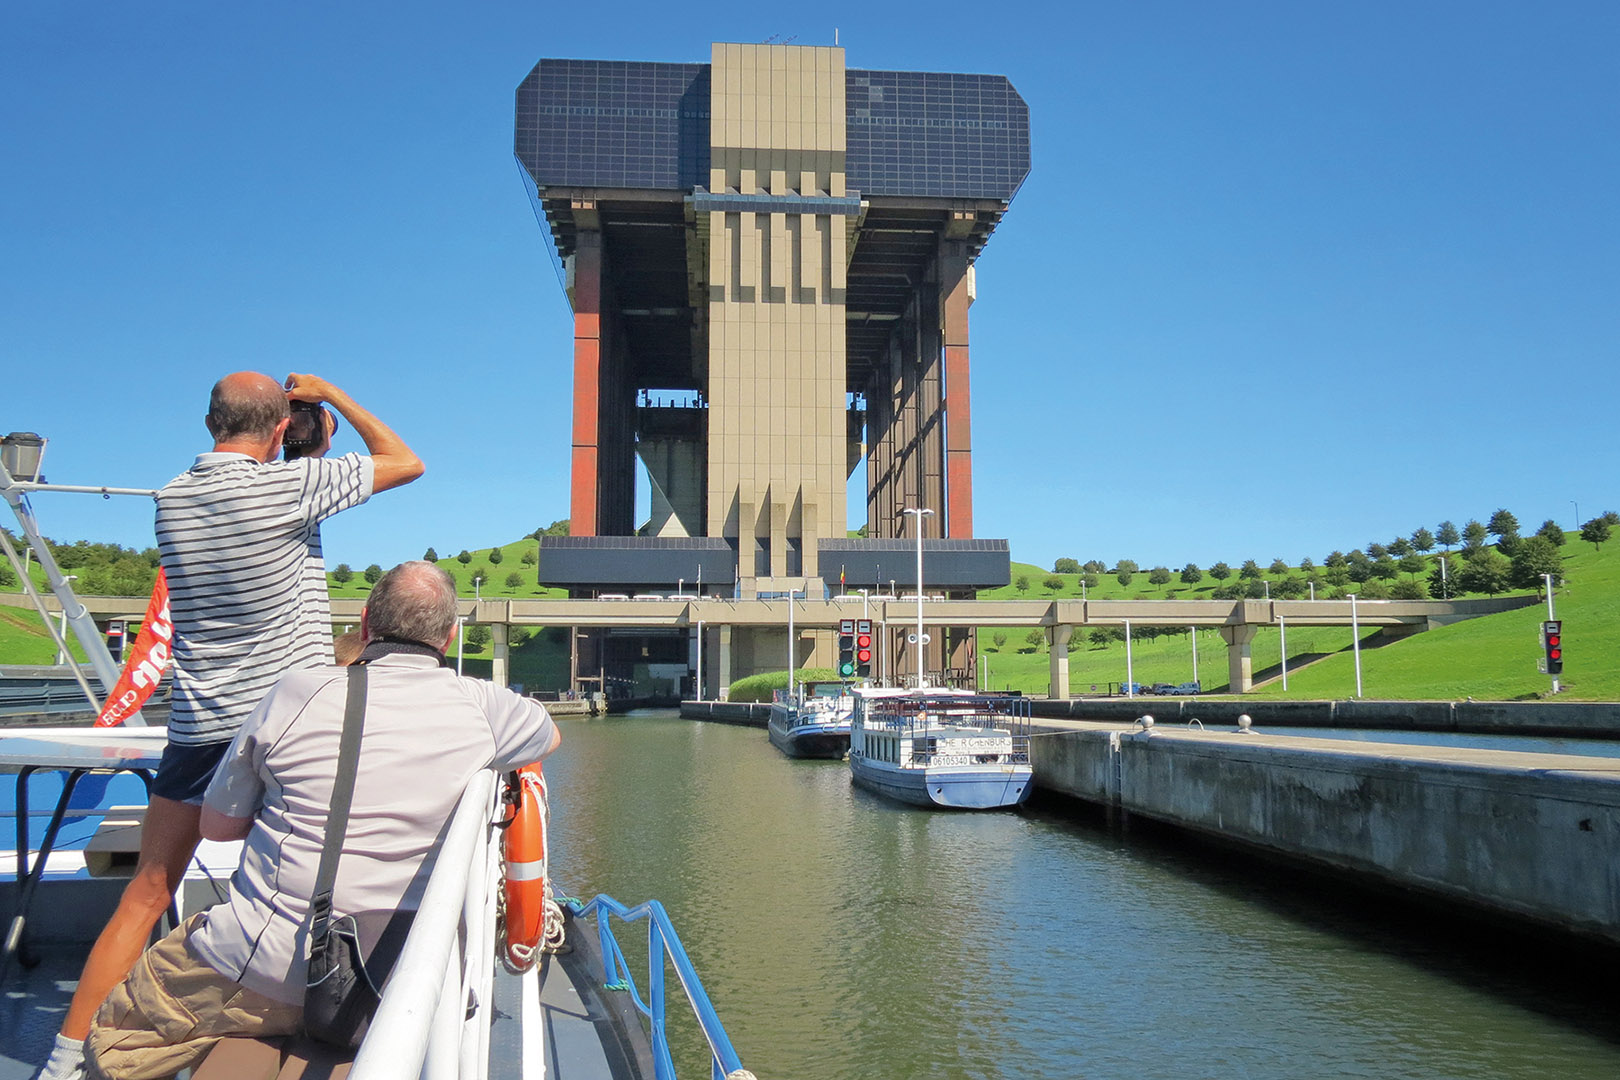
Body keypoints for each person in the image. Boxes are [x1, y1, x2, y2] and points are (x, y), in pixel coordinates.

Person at [39, 372, 423, 1080]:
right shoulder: (290, 490)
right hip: (288, 730)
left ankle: (63, 1059)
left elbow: (259, 514)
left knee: (148, 892)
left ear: (210, 423)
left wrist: (295, 448)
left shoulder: (173, 498)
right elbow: (405, 460)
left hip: (199, 728)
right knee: (314, 885)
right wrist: (331, 398)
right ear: (281, 428)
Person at [82, 562, 561, 1079]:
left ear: (364, 623)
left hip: (264, 964)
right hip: (402, 978)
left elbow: (217, 828)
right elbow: (548, 735)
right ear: (448, 636)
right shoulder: (485, 707)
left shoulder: (295, 693)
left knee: (116, 1032)